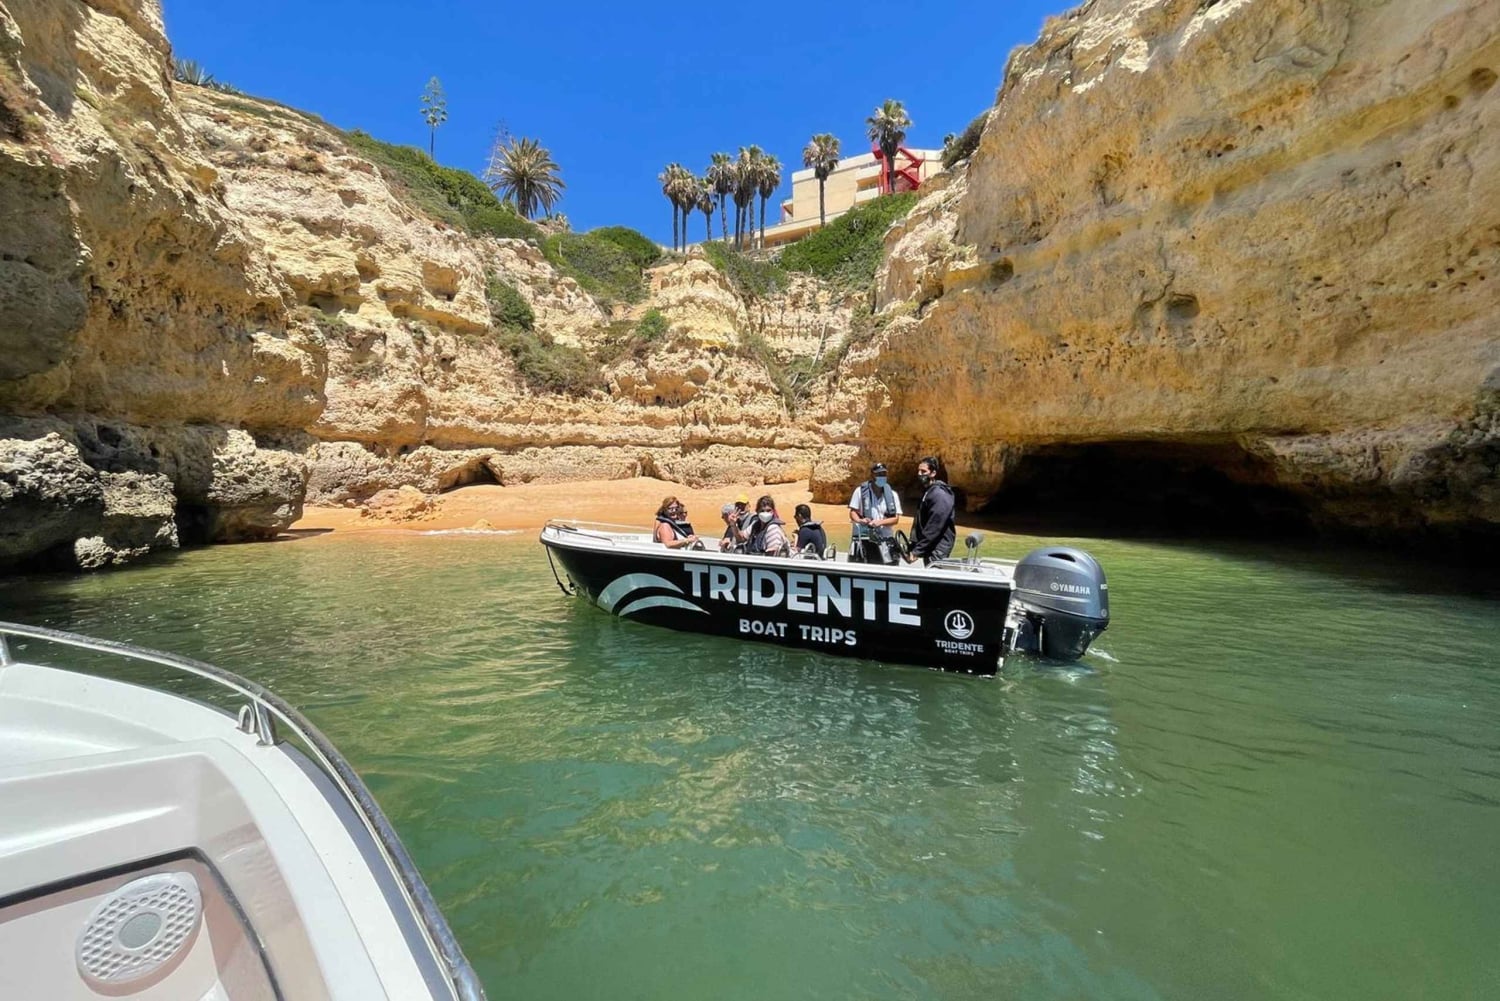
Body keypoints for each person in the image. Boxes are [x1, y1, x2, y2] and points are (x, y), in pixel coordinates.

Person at [905, 456, 956, 565]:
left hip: (938, 549)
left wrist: (917, 550)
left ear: (933, 473)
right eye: (918, 471)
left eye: (923, 471)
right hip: (930, 547)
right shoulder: (928, 491)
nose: (919, 474)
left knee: (933, 578)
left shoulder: (939, 495)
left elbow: (934, 526)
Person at [847, 462, 902, 564]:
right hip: (864, 539)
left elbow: (895, 519)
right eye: (879, 474)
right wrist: (860, 520)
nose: (882, 477)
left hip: (885, 539)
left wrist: (879, 523)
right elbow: (853, 512)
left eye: (884, 474)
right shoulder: (859, 491)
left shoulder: (893, 495)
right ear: (872, 475)